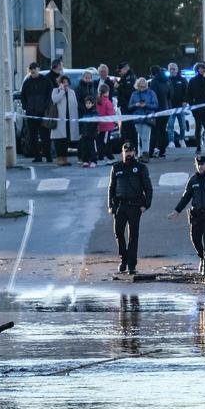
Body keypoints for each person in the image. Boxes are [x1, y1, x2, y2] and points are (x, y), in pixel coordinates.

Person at [108, 142, 153, 275]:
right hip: (120, 206)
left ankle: (131, 264)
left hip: (135, 206)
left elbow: (148, 188)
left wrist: (146, 205)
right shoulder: (116, 167)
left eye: (131, 151)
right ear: (122, 152)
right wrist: (110, 206)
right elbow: (111, 188)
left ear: (134, 152)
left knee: (133, 236)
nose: (128, 154)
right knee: (118, 233)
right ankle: (124, 259)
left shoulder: (140, 168)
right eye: (126, 151)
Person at [20, 62, 52, 161]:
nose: (33, 70)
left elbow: (49, 95)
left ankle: (48, 155)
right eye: (31, 69)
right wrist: (26, 107)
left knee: (45, 136)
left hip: (43, 113)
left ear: (38, 69)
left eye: (34, 68)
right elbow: (23, 96)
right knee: (33, 136)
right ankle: (37, 156)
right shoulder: (27, 82)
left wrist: (45, 107)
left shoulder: (45, 81)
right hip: (31, 114)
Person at [50, 73, 79, 166]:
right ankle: (59, 158)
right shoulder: (56, 91)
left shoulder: (72, 92)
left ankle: (65, 158)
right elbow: (55, 100)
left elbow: (75, 105)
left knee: (66, 140)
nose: (65, 84)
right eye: (63, 82)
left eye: (66, 82)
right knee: (59, 140)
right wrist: (61, 91)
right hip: (59, 120)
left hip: (70, 120)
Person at [128, 77, 159, 160]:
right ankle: (140, 154)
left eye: (144, 86)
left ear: (146, 85)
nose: (142, 88)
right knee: (140, 137)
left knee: (145, 137)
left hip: (147, 118)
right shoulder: (134, 94)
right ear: (137, 86)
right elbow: (129, 107)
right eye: (140, 86)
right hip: (137, 118)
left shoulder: (151, 93)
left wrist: (146, 105)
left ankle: (145, 154)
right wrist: (136, 105)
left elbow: (156, 105)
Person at [187, 62, 205, 154]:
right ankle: (198, 146)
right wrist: (191, 105)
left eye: (203, 68)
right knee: (198, 128)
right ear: (197, 70)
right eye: (200, 68)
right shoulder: (193, 80)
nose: (202, 70)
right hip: (197, 107)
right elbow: (189, 94)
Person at [149, 66, 172, 157]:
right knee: (163, 129)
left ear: (152, 73)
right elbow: (171, 94)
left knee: (156, 130)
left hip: (157, 109)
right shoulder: (168, 80)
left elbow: (153, 95)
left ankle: (155, 149)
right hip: (167, 108)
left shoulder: (154, 81)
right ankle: (162, 149)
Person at [166, 63, 189, 148]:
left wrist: (185, 101)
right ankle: (171, 141)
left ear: (177, 69)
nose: (172, 70)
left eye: (174, 69)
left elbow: (187, 91)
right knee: (170, 126)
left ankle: (182, 139)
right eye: (171, 69)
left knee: (182, 125)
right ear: (168, 70)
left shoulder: (182, 80)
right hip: (170, 107)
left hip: (180, 107)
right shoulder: (166, 80)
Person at [115, 61, 137, 147]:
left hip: (128, 106)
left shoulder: (130, 78)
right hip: (124, 105)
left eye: (120, 71)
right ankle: (129, 146)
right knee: (126, 128)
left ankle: (133, 146)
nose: (119, 73)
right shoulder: (124, 78)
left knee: (130, 127)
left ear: (125, 69)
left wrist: (118, 87)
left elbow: (129, 92)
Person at [95, 83, 117, 161]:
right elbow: (111, 113)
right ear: (107, 92)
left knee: (100, 141)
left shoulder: (97, 101)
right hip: (107, 125)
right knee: (106, 141)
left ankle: (101, 156)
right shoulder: (107, 102)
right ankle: (108, 156)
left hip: (100, 125)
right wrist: (115, 120)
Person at [78, 95, 99, 167]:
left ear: (93, 104)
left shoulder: (95, 112)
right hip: (84, 133)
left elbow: (95, 124)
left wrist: (93, 132)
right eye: (86, 103)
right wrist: (81, 132)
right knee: (84, 147)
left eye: (89, 103)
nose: (87, 105)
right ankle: (85, 161)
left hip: (92, 134)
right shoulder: (84, 112)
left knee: (92, 147)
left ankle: (94, 160)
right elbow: (81, 123)